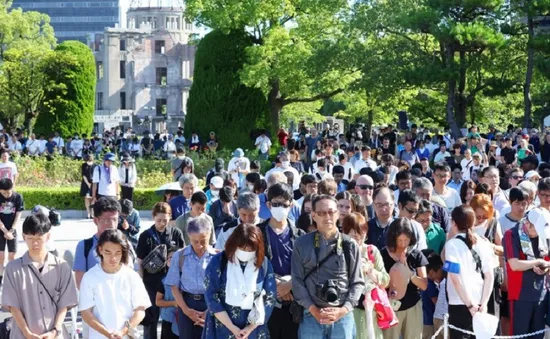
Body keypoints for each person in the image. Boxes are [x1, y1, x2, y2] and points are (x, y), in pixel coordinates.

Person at [291, 195, 364, 338]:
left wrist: (343, 310)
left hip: (343, 318)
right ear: (313, 215)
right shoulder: (301, 244)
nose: (327, 217)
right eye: (321, 213)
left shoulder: (350, 245)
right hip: (311, 316)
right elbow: (297, 281)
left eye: (331, 212)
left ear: (338, 214)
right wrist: (313, 310)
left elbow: (358, 282)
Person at [2, 212, 78, 339]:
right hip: (21, 335)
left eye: (39, 238)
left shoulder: (62, 267)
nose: (35, 244)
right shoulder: (13, 268)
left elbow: (64, 304)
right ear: (23, 237)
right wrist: (27, 333)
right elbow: (13, 306)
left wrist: (55, 331)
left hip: (55, 335)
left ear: (48, 237)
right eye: (30, 238)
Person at [202, 223, 277, 338]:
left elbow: (270, 298)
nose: (246, 252)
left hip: (253, 329)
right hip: (222, 326)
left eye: (251, 249)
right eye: (242, 248)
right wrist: (233, 328)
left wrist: (249, 329)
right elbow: (211, 296)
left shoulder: (264, 264)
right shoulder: (218, 262)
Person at [79, 229, 151, 339]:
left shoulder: (131, 276)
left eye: (117, 253)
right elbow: (86, 313)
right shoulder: (89, 277)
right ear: (100, 249)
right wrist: (107, 334)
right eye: (108, 252)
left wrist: (123, 331)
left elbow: (140, 310)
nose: (113, 258)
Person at [255, 183, 305, 339]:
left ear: (291, 205)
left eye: (284, 204)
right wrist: (276, 286)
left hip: (293, 304)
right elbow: (252, 265)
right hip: (265, 304)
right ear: (268, 204)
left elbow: (307, 267)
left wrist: (289, 285)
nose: (280, 207)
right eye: (276, 204)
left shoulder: (300, 235)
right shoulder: (258, 232)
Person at [443, 205, 496, 339]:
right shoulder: (483, 244)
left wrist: (469, 304)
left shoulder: (451, 245)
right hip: (480, 302)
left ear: (454, 223)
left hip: (459, 302)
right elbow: (490, 275)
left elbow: (455, 278)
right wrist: (484, 303)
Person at [136, 202, 185, 339]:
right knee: (151, 319)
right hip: (151, 283)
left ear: (170, 217)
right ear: (153, 217)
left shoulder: (176, 233)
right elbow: (140, 261)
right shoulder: (145, 236)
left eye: (165, 220)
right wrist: (140, 284)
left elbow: (183, 257)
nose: (162, 223)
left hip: (172, 283)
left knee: (171, 319)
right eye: (159, 220)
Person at [166, 218, 217, 339]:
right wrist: (186, 310)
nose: (199, 245)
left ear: (209, 235)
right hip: (187, 303)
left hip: (211, 303)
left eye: (203, 241)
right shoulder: (180, 255)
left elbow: (221, 287)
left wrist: (209, 310)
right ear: (188, 237)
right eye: (195, 241)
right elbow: (174, 286)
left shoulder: (217, 257)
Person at [504, 208, 550, 338]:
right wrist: (537, 262)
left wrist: (545, 267)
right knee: (520, 335)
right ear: (528, 223)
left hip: (541, 295)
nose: (538, 234)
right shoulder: (511, 234)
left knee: (537, 335)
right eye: (536, 230)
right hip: (520, 296)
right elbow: (514, 264)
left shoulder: (545, 236)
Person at [342, 212, 389, 339]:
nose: (358, 240)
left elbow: (385, 280)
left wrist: (370, 270)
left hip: (371, 310)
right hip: (349, 310)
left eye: (361, 236)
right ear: (345, 234)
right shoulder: (339, 253)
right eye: (354, 236)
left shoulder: (372, 251)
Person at [381, 218, 428, 339]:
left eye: (406, 240)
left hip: (413, 305)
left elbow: (424, 284)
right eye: (400, 240)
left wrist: (409, 273)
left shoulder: (416, 254)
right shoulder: (382, 255)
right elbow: (380, 283)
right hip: (390, 306)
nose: (403, 244)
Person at [0, 178, 23, 285]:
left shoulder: (18, 197)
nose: (6, 195)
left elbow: (18, 215)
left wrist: (11, 230)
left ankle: (11, 278)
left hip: (12, 229)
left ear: (12, 188)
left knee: (12, 256)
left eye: (8, 192)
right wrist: (5, 230)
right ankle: (0, 278)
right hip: (1, 229)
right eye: (3, 192)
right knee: (1, 256)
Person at [156, 248, 179, 339]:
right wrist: (174, 303)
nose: (173, 260)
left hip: (185, 320)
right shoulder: (163, 280)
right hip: (168, 320)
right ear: (166, 261)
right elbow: (158, 302)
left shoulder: (188, 279)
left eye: (176, 257)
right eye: (170, 257)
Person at [80, 154, 96, 219]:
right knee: (86, 198)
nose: (88, 161)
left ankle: (92, 212)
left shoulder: (95, 166)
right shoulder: (84, 165)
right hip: (85, 183)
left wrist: (92, 183)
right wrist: (88, 183)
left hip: (94, 183)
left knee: (93, 197)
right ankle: (88, 213)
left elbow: (96, 176)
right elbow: (83, 175)